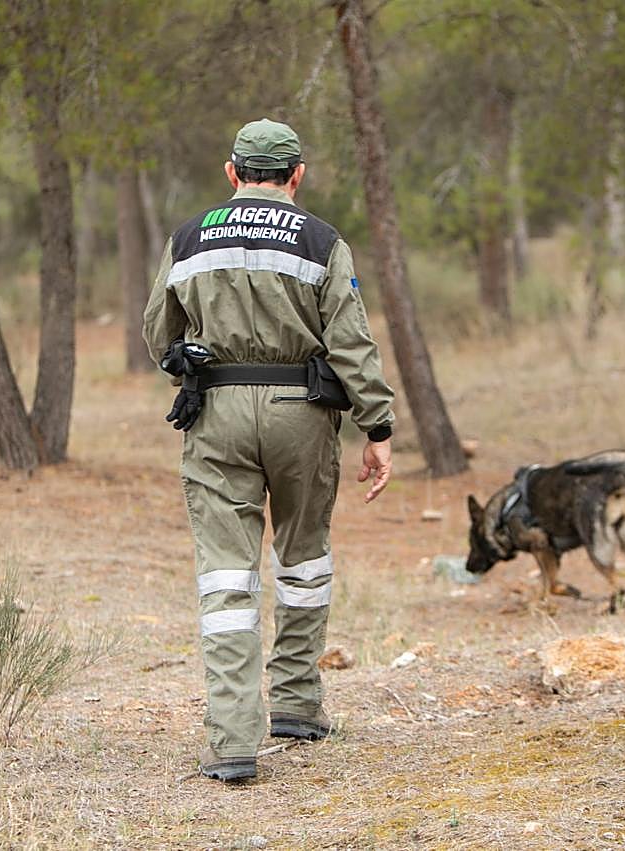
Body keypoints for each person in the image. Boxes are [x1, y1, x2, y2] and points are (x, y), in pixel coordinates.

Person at [143, 118, 397, 782]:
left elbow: (157, 334)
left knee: (226, 576)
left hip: (218, 412)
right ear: (297, 175)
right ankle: (297, 707)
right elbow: (351, 342)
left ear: (232, 173)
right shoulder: (321, 240)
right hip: (303, 416)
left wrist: (189, 367)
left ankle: (231, 740)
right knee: (303, 559)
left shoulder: (189, 237)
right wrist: (378, 427)